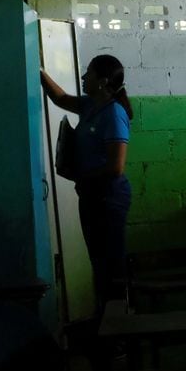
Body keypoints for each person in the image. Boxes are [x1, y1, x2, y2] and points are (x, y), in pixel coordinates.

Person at [40, 55, 132, 316]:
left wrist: (81, 175)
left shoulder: (114, 113)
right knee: (100, 263)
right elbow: (59, 98)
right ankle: (108, 324)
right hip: (92, 196)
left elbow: (116, 167)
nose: (83, 77)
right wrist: (39, 70)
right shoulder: (91, 105)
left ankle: (119, 331)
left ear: (102, 81)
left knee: (111, 266)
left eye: (88, 73)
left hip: (109, 198)